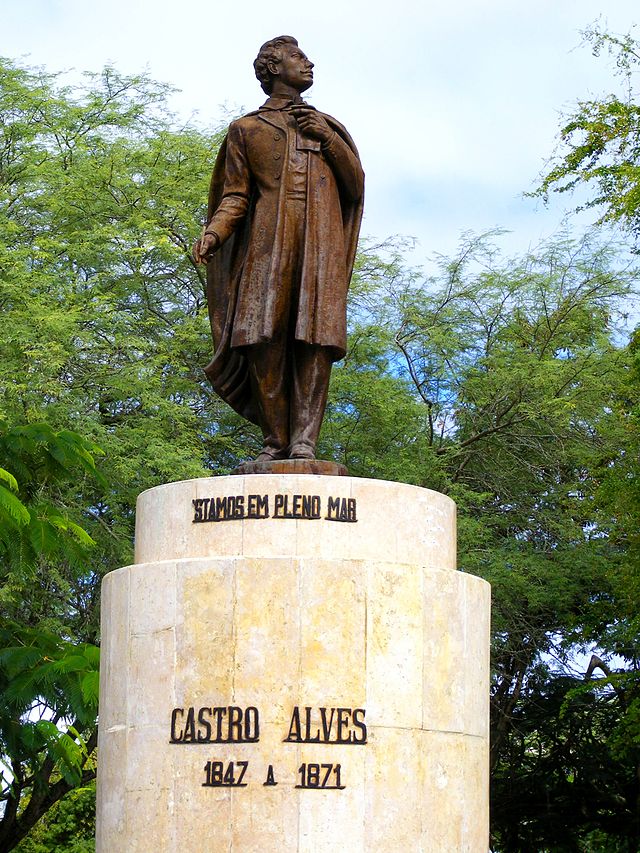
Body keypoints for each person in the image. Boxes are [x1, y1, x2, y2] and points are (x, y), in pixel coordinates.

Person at [194, 35, 364, 462]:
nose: (309, 63)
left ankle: (304, 441)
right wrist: (215, 232)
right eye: (298, 57)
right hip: (267, 246)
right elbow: (235, 195)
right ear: (272, 68)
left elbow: (355, 187)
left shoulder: (327, 126)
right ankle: (275, 441)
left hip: (318, 244)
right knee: (261, 337)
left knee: (314, 337)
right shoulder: (246, 129)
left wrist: (327, 138)